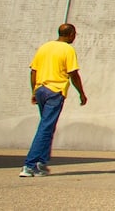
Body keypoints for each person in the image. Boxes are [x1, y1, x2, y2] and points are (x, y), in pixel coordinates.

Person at [21, 23, 88, 177]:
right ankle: (30, 165)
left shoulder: (44, 47)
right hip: (55, 91)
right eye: (75, 34)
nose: (74, 37)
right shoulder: (68, 49)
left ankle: (41, 163)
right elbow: (73, 74)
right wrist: (81, 93)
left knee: (48, 127)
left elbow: (34, 71)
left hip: (40, 90)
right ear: (71, 34)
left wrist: (34, 91)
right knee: (45, 128)